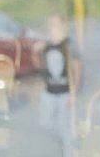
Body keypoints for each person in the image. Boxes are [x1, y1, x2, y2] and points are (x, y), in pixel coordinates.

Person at [32, 12, 82, 157]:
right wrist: (35, 53)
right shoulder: (47, 45)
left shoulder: (68, 45)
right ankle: (63, 143)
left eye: (55, 24)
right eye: (50, 24)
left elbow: (77, 69)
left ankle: (69, 151)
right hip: (49, 91)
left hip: (65, 92)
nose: (52, 28)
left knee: (65, 128)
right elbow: (39, 67)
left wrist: (74, 93)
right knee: (45, 124)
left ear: (63, 26)